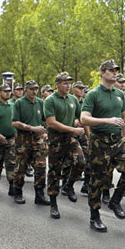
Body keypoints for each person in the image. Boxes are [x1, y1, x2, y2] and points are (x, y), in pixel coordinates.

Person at [80, 59, 125, 232]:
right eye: (111, 70)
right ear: (103, 73)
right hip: (100, 141)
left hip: (117, 141)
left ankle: (115, 200)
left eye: (116, 70)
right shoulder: (93, 94)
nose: (114, 73)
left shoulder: (120, 95)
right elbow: (84, 119)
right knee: (98, 180)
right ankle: (94, 216)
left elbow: (124, 116)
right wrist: (106, 120)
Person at [44, 72, 87, 219]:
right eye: (64, 83)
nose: (68, 86)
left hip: (70, 138)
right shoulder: (50, 100)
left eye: (69, 83)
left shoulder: (73, 100)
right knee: (54, 172)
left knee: (81, 162)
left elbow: (81, 118)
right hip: (55, 139)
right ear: (57, 84)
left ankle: (68, 185)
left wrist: (88, 134)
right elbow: (51, 122)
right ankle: (53, 204)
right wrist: (73, 128)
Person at [10, 80, 50, 205]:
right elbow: (14, 122)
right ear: (26, 90)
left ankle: (39, 194)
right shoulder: (19, 103)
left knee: (40, 167)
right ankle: (18, 192)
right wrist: (32, 128)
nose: (34, 91)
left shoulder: (40, 102)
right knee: (21, 167)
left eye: (36, 89)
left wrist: (45, 131)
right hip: (23, 139)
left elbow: (45, 120)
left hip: (38, 140)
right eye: (31, 89)